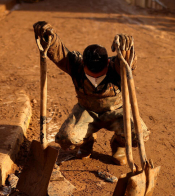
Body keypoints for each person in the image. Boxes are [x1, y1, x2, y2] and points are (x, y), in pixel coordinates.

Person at [32, 21, 150, 166]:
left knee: (139, 134)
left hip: (116, 113)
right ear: (84, 65)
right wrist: (48, 38)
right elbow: (59, 53)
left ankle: (119, 145)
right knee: (66, 138)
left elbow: (129, 63)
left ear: (107, 62)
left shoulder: (117, 67)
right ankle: (86, 143)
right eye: (90, 73)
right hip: (87, 112)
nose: (94, 77)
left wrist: (126, 51)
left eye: (99, 73)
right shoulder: (76, 65)